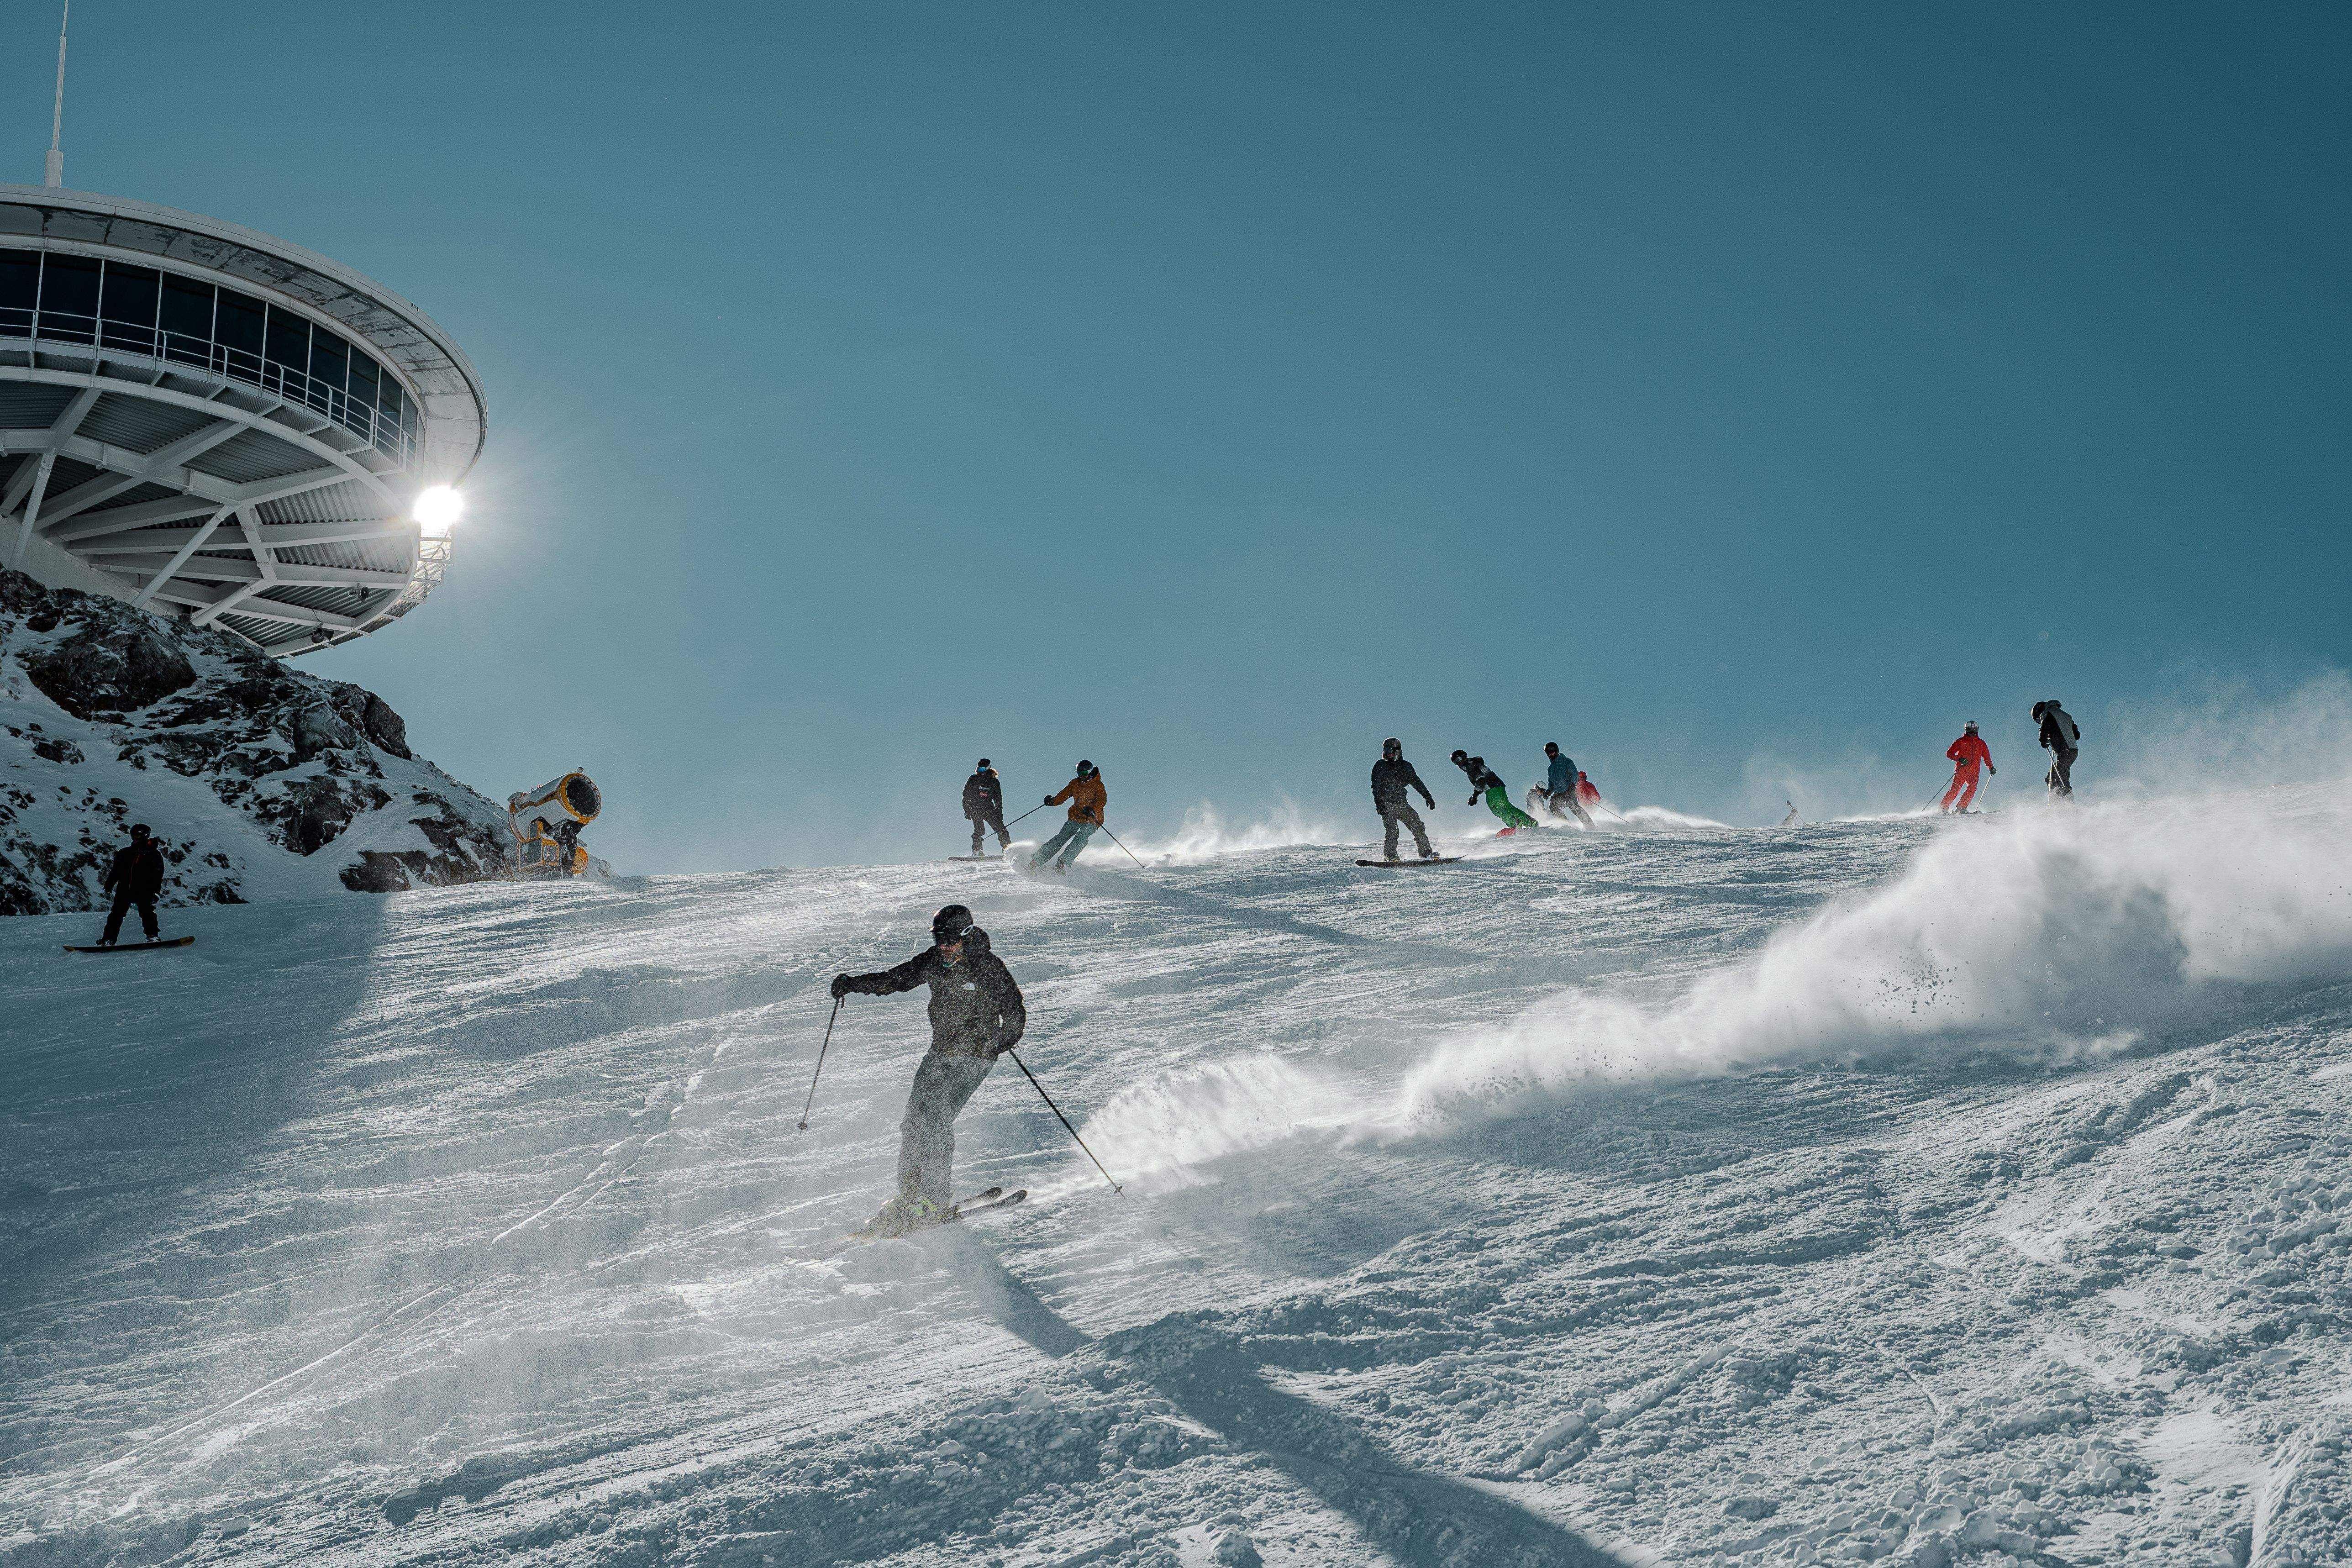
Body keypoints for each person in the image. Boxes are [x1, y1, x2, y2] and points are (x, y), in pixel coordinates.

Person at [832, 905, 1026, 1235]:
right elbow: (896, 979)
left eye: (950, 940)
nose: (944, 946)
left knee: (935, 1121)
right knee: (913, 1122)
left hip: (975, 1057)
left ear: (966, 936)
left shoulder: (987, 966)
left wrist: (1000, 1040)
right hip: (940, 1053)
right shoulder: (934, 961)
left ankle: (933, 1199)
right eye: (939, 939)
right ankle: (911, 1197)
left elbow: (1014, 1009)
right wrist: (852, 984)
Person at [1370, 738, 1439, 860]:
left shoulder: (1406, 766)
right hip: (1387, 804)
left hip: (1402, 804)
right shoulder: (1380, 766)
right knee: (1393, 830)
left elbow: (1416, 782)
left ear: (1397, 751)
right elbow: (1376, 786)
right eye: (1386, 750)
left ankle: (1426, 853)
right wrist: (1379, 803)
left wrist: (1428, 797)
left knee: (1418, 827)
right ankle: (1390, 855)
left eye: (1390, 750)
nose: (1388, 753)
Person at [1030, 761, 1105, 873]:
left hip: (1093, 818)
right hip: (1076, 816)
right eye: (1079, 773)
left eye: (1084, 773)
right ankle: (1036, 862)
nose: (1082, 776)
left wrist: (1093, 809)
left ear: (1090, 772)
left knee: (1081, 838)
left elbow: (1102, 801)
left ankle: (1061, 865)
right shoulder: (1075, 783)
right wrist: (1053, 801)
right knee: (1061, 838)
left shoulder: (1098, 785)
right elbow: (1063, 795)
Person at [99, 824, 166, 946]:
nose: (135, 838)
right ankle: (108, 940)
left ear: (145, 836)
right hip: (124, 890)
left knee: (147, 913)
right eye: (133, 835)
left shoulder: (153, 854)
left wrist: (156, 892)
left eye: (138, 835)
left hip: (144, 890)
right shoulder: (125, 853)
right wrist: (108, 886)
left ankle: (153, 936)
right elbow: (116, 872)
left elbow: (158, 874)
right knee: (116, 915)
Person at [1451, 750, 1540, 832]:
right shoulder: (1474, 763)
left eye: (1459, 760)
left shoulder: (1470, 766)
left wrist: (1475, 796)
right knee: (1507, 807)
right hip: (1498, 786)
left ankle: (1515, 824)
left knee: (1496, 809)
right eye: (1455, 762)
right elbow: (1482, 779)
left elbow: (1481, 780)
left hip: (1492, 789)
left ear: (1464, 757)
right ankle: (1530, 822)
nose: (1459, 763)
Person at [1940, 721, 1996, 813]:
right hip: (1962, 771)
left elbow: (1987, 757)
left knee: (1972, 789)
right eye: (1970, 731)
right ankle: (1943, 809)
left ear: (1978, 730)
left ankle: (1961, 808)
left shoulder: (1981, 743)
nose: (1973, 733)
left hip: (1974, 772)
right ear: (1966, 730)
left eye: (1975, 731)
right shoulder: (1961, 741)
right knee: (1955, 790)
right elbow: (1949, 754)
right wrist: (1960, 759)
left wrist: (1991, 767)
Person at [2032, 700, 2081, 799]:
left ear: (2039, 712)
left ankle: (2067, 802)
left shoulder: (2048, 714)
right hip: (2072, 750)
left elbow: (2045, 727)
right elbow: (2076, 735)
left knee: (2060, 778)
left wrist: (2043, 740)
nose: (2040, 721)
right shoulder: (2066, 716)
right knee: (2051, 777)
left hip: (2065, 750)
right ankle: (2057, 799)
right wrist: (2057, 735)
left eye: (2038, 720)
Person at [962, 759, 1009, 856]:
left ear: (988, 769)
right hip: (975, 808)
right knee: (980, 830)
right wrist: (967, 810)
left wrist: (999, 811)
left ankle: (1008, 850)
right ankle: (977, 851)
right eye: (979, 769)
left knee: (1001, 829)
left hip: (989, 809)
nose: (981, 771)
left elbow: (998, 798)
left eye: (983, 769)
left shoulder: (994, 782)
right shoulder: (973, 779)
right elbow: (966, 795)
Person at [1540, 742, 1593, 826]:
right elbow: (1551, 783)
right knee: (1553, 807)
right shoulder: (1550, 768)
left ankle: (1589, 825)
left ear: (1556, 751)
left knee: (1574, 807)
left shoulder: (1566, 761)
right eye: (1548, 754)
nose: (1550, 755)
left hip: (1568, 790)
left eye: (1552, 753)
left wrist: (1572, 785)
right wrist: (1549, 791)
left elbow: (1574, 774)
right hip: (1558, 793)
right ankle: (1567, 825)